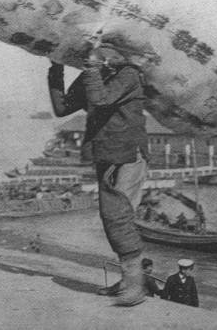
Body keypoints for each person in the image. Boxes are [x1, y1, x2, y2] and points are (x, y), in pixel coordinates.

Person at [48, 42, 149, 306]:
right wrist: (56, 69)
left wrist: (91, 67)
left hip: (127, 154)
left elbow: (101, 98)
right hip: (106, 154)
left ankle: (135, 285)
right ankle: (128, 280)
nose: (103, 54)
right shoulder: (93, 75)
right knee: (111, 218)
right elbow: (62, 108)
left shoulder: (129, 74)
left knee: (118, 217)